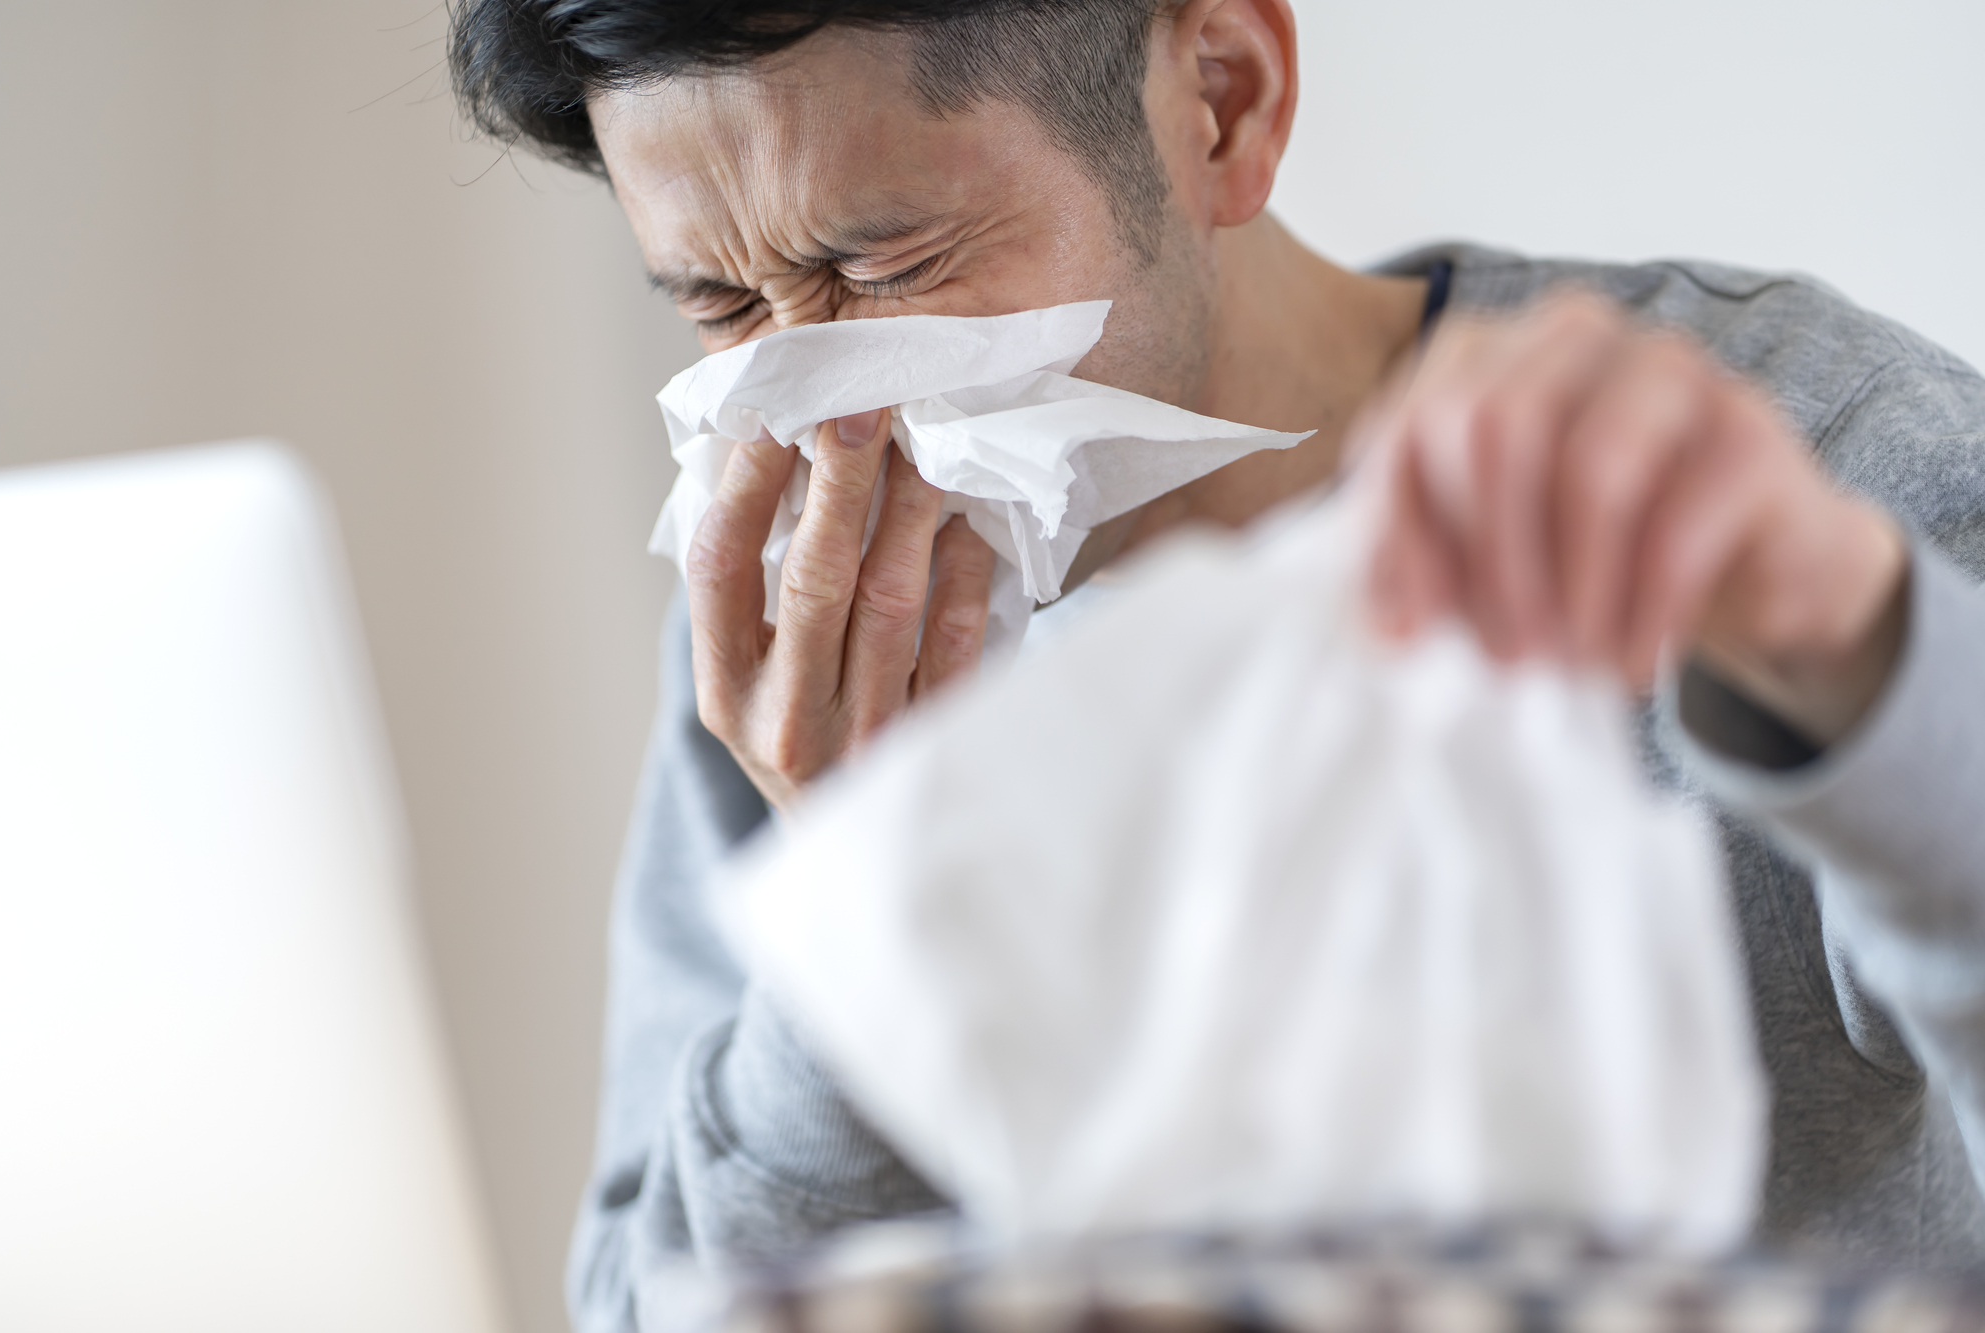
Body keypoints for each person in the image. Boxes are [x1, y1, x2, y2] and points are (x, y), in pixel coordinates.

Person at [446, 2, 1985, 1329]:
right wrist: (855, 934)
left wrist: (1870, 682)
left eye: (891, 267)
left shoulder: (1787, 492)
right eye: (721, 307)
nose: (815, 414)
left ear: (1223, 99)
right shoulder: (804, 639)